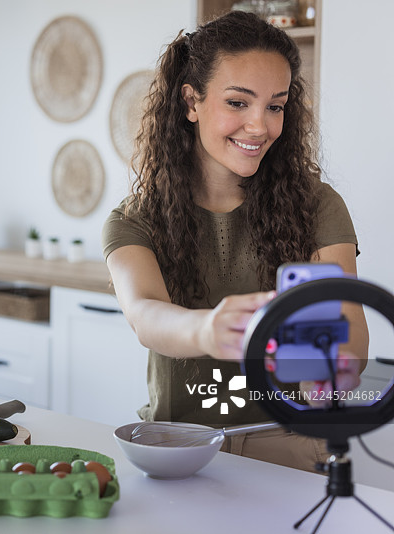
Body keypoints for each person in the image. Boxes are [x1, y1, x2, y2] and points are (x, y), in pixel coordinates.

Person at [102, 11, 368, 472]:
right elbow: (145, 314)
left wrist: (328, 368)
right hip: (179, 443)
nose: (260, 126)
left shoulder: (317, 205)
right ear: (192, 101)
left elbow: (351, 334)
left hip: (288, 443)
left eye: (275, 106)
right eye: (238, 102)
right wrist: (208, 330)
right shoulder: (135, 218)